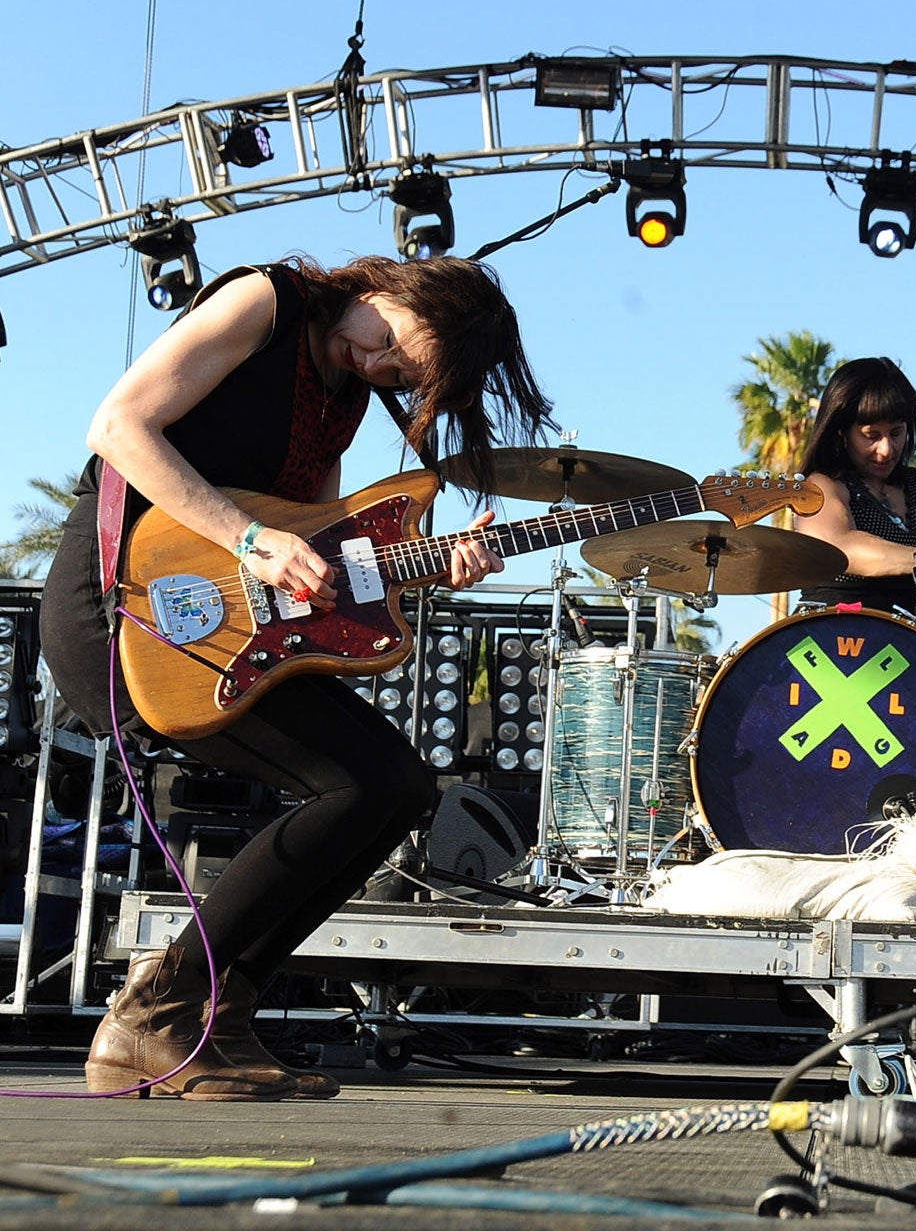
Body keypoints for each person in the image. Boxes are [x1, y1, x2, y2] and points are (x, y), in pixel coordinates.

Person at [40, 255, 552, 1100]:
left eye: (407, 378)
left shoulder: (343, 395)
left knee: (390, 785)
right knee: (361, 782)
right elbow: (119, 426)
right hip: (122, 605)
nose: (384, 370)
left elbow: (319, 551)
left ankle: (209, 1015)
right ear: (400, 291)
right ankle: (155, 1012)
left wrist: (428, 566)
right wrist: (251, 541)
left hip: (224, 620)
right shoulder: (265, 302)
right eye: (398, 348)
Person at [792, 356, 916, 616]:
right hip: (833, 637)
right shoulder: (821, 486)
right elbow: (841, 549)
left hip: (915, 641)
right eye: (871, 436)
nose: (886, 450)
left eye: (896, 433)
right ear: (841, 431)